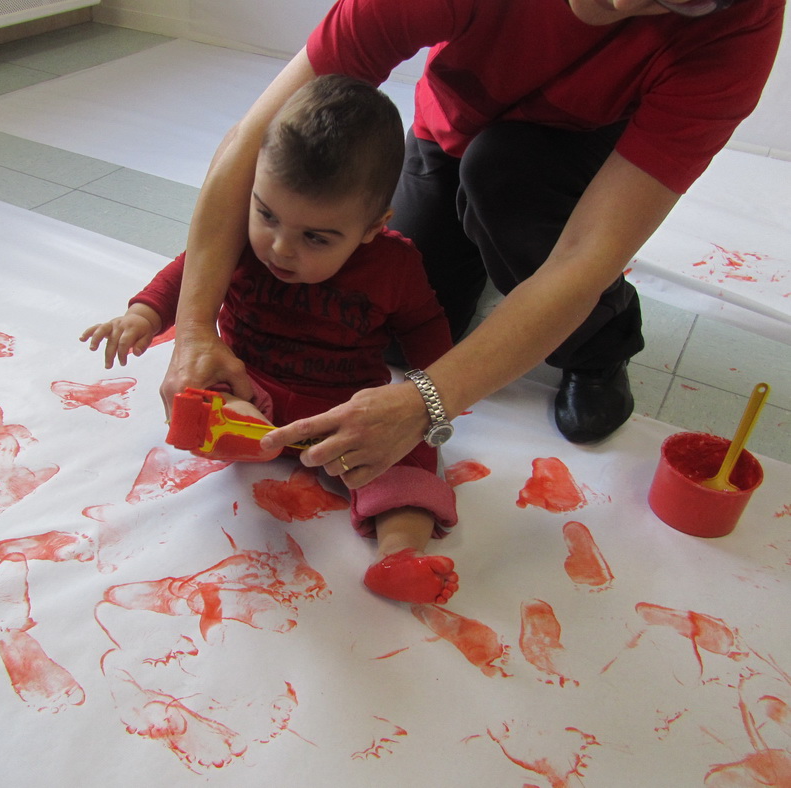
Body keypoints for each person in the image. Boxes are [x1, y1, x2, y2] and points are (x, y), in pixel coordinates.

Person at [160, 0, 784, 489]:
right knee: (405, 329)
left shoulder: (737, 30)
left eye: (673, 0)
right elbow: (256, 136)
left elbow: (585, 256)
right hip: (452, 126)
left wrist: (429, 402)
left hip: (570, 150)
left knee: (503, 178)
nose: (619, 5)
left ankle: (600, 345)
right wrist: (192, 330)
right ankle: (491, 238)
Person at [83, 75, 461, 605]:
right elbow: (189, 271)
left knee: (410, 460)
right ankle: (241, 436)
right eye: (266, 214)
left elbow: (424, 326)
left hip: (344, 416)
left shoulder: (394, 266)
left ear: (373, 227)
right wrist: (144, 313)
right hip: (249, 390)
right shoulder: (237, 237)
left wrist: (429, 394)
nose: (279, 248)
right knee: (200, 397)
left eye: (315, 237)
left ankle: (399, 555)